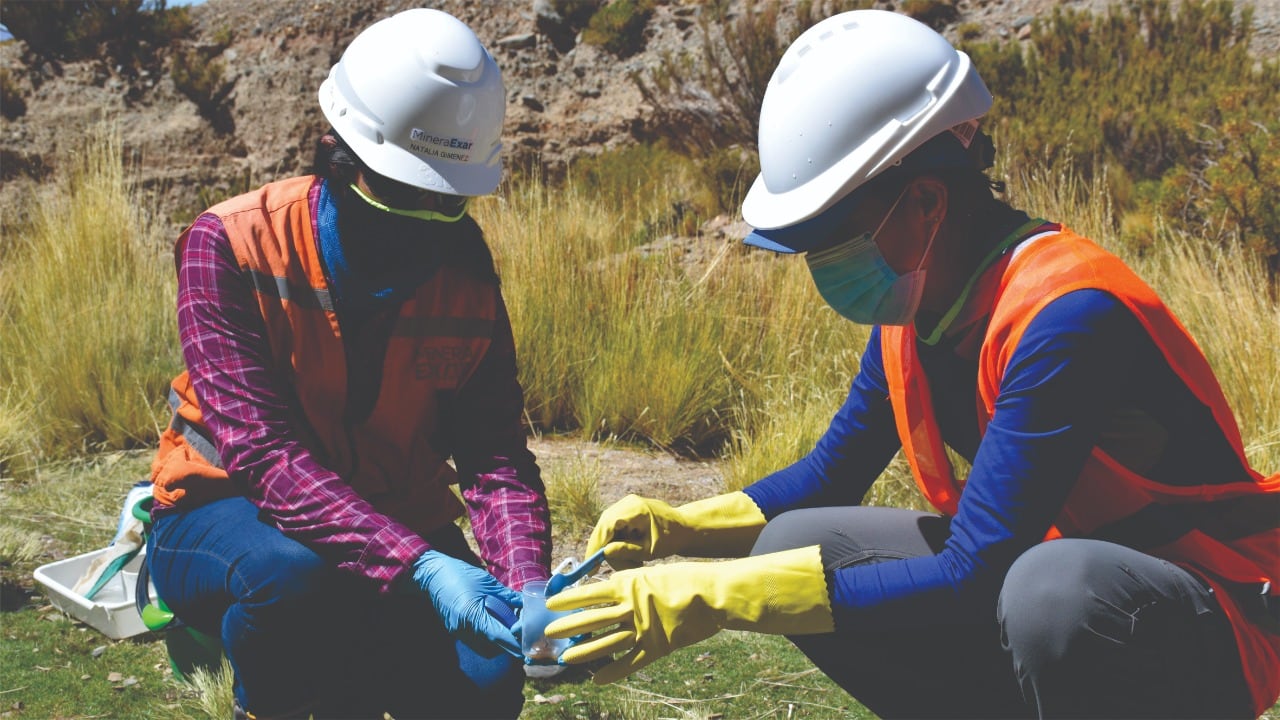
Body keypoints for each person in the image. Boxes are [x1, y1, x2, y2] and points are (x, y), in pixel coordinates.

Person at [544, 9, 1279, 719]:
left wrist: (710, 597)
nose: (823, 264)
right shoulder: (919, 307)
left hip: (1210, 607)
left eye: (834, 237)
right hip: (1052, 580)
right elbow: (826, 479)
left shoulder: (1067, 315)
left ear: (927, 200)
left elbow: (974, 572)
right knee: (796, 543)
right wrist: (675, 527)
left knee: (1049, 593)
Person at [144, 8, 550, 719]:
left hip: (391, 511)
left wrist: (528, 591)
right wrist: (419, 566)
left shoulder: (465, 270)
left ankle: (349, 671)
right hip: (227, 512)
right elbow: (264, 458)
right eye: (400, 193)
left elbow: (493, 453)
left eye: (444, 205)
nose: (419, 227)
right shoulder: (232, 245)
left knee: (488, 681)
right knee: (295, 581)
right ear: (338, 160)